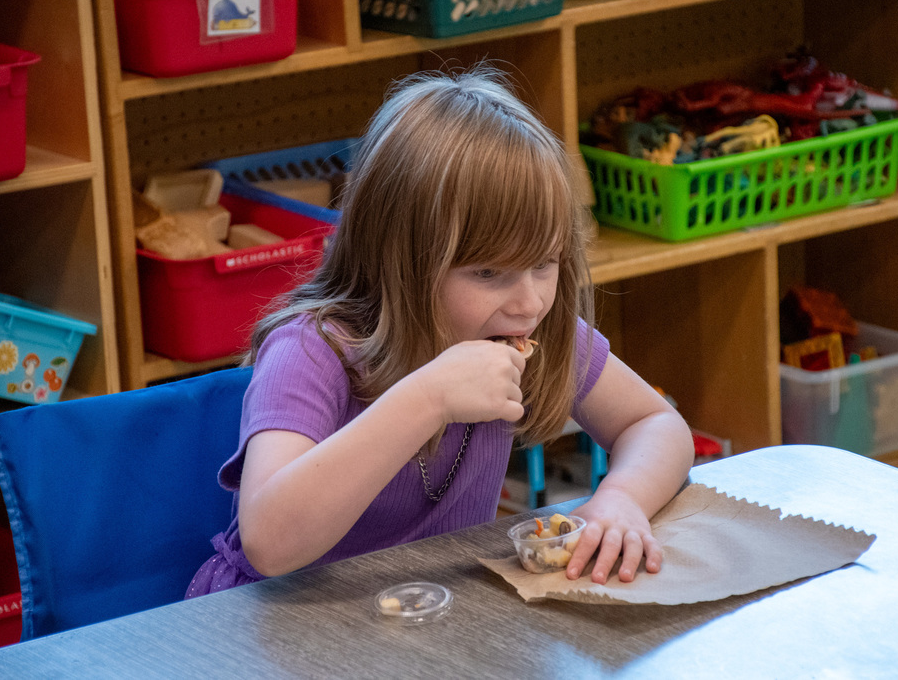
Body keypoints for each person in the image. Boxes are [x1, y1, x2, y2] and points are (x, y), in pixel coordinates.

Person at [185, 65, 694, 599]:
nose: (530, 301)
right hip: (274, 629)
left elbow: (655, 423)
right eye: (487, 273)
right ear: (400, 262)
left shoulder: (521, 326)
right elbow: (271, 542)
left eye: (545, 263)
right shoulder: (311, 350)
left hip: (431, 618)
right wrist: (427, 398)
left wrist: (623, 498)